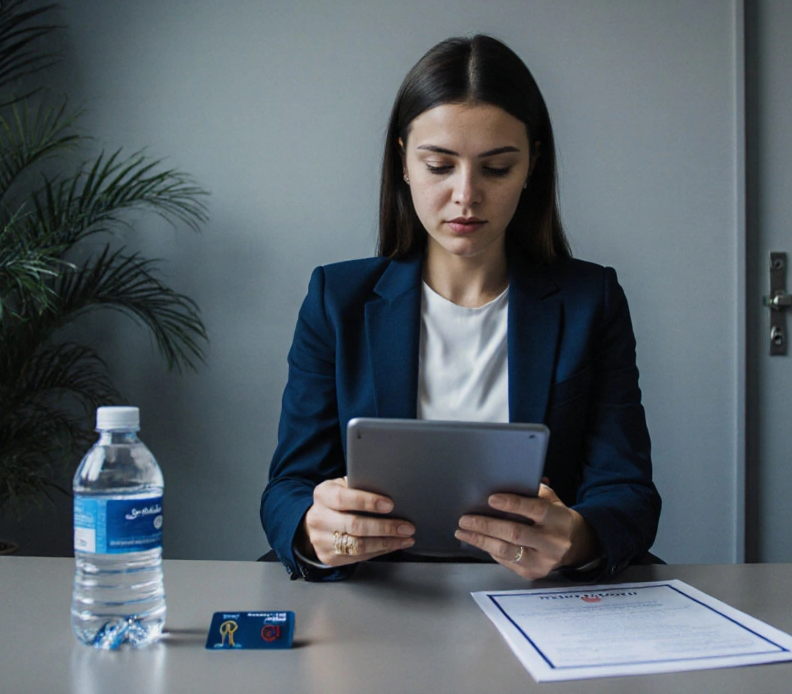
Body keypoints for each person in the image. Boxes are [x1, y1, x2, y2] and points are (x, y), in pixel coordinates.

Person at [261, 35, 660, 582]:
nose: (466, 195)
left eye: (495, 168)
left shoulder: (592, 302)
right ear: (403, 161)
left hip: (539, 597)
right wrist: (313, 527)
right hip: (380, 591)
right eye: (439, 165)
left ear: (531, 167)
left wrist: (575, 539)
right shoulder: (337, 300)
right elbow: (287, 487)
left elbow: (629, 495)